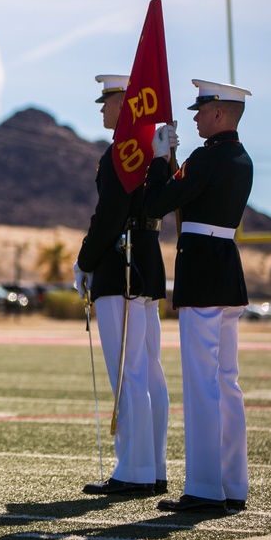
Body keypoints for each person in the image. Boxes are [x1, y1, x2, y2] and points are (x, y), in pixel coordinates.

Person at [146, 79, 253, 514]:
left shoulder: (207, 158)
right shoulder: (240, 158)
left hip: (203, 273)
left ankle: (206, 488)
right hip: (226, 268)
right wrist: (175, 162)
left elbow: (158, 201)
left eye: (201, 110)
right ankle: (232, 482)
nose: (194, 118)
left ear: (220, 114)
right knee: (227, 381)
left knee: (202, 382)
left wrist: (159, 160)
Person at [73, 75, 170, 497]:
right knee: (149, 372)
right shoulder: (153, 153)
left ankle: (134, 470)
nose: (102, 110)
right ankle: (154, 466)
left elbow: (109, 214)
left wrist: (84, 260)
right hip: (146, 263)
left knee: (130, 373)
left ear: (126, 105)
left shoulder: (122, 153)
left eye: (108, 102)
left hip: (121, 266)